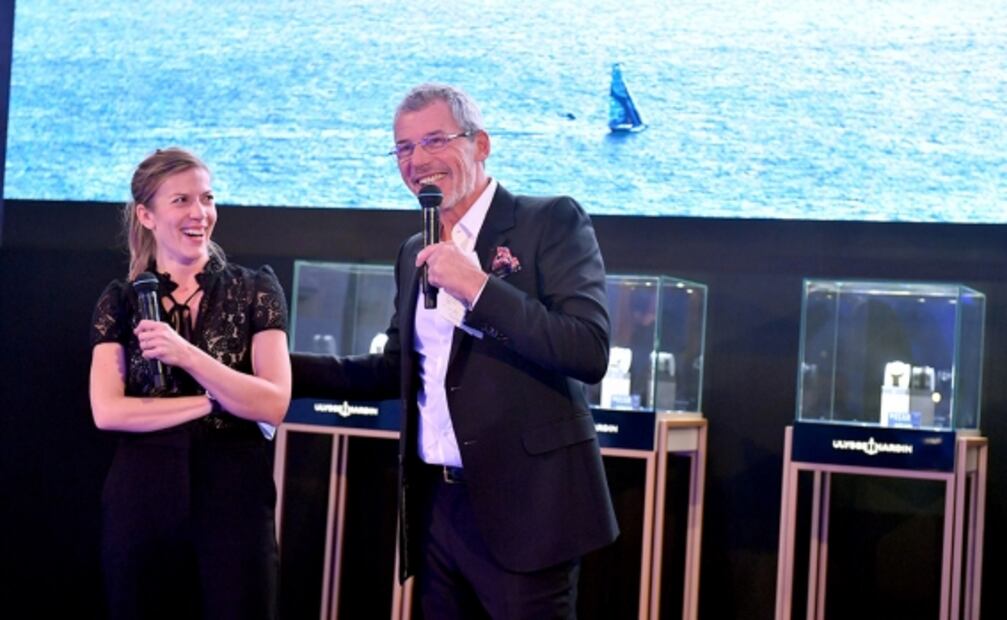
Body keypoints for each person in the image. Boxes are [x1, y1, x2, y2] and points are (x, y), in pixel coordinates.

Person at [292, 84, 618, 618]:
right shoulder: (413, 251)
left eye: (435, 140)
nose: (418, 160)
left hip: (527, 509)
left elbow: (588, 349)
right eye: (403, 148)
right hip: (436, 508)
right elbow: (395, 369)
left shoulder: (549, 221)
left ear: (480, 144)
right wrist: (275, 370)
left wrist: (479, 288)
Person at [88, 147, 292, 620]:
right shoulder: (120, 301)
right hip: (143, 496)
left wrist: (187, 355)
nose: (200, 213)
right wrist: (217, 400)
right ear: (147, 215)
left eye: (207, 198)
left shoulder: (255, 290)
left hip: (235, 497)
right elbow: (108, 410)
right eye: (181, 200)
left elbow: (273, 403)